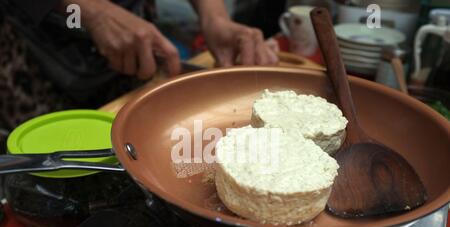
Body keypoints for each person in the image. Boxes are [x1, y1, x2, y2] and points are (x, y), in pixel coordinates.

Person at [0, 0, 278, 131]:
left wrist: (214, 17)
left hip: (137, 32)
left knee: (140, 132)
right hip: (31, 46)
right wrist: (93, 11)